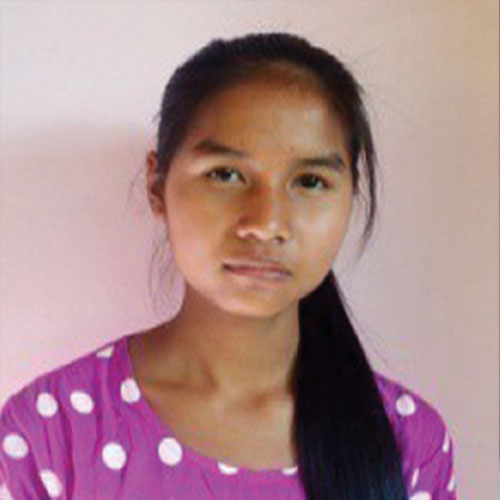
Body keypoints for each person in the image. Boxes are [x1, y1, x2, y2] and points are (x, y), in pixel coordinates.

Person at [0, 32, 458, 500]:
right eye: (225, 174)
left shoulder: (408, 444)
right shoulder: (46, 435)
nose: (266, 224)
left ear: (350, 195)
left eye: (310, 181)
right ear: (157, 186)